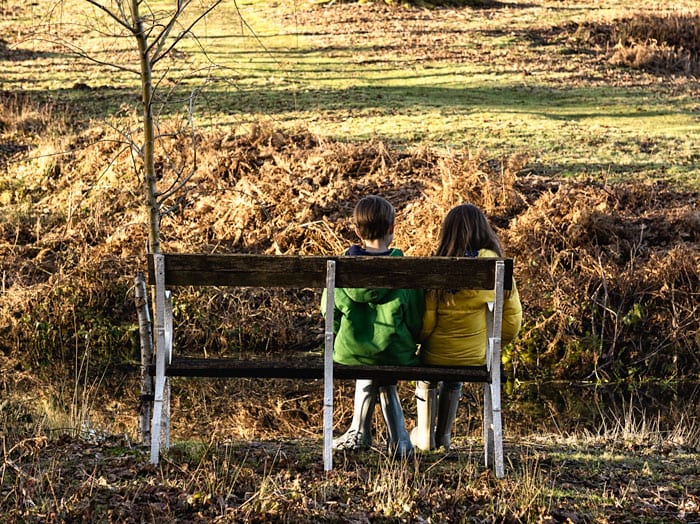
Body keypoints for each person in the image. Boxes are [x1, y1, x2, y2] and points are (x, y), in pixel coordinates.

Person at [411, 203, 522, 452]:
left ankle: (426, 436)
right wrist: (492, 344)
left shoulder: (438, 266)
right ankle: (445, 436)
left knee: (427, 377)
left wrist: (420, 341)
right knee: (453, 381)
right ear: (484, 230)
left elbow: (426, 325)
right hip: (474, 356)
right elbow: (512, 322)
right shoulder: (497, 267)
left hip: (436, 354)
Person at [322, 195, 424, 458]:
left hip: (350, 352)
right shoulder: (405, 269)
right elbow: (415, 319)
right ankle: (399, 440)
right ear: (392, 228)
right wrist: (408, 338)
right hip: (396, 351)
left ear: (357, 232)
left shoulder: (342, 267)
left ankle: (361, 433)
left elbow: (327, 310)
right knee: (383, 357)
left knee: (367, 355)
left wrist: (336, 339)